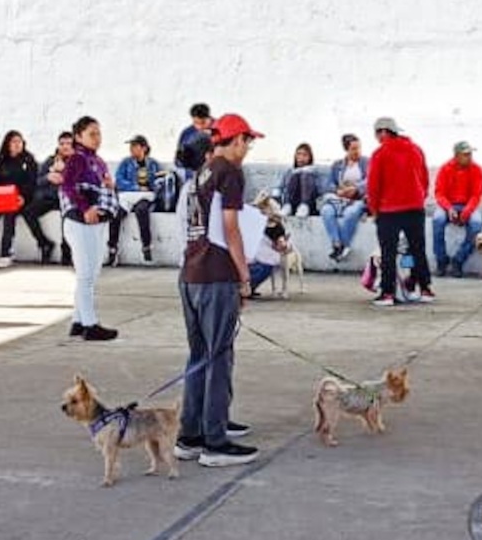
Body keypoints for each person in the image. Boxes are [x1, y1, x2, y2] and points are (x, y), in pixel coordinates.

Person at [172, 113, 261, 466]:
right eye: (247, 142)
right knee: (219, 356)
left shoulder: (203, 172)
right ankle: (214, 442)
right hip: (216, 274)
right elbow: (231, 229)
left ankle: (191, 434)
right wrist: (243, 277)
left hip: (191, 274)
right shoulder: (230, 172)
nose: (248, 149)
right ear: (235, 139)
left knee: (199, 356)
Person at [60, 117, 118, 341]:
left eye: (99, 133)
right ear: (78, 136)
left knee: (91, 274)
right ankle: (90, 324)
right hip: (80, 222)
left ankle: (78, 320)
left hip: (96, 223)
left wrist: (110, 186)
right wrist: (85, 208)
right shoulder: (77, 158)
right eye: (92, 134)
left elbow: (103, 186)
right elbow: (67, 185)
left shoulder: (98, 161)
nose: (97, 138)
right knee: (85, 274)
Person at [366, 117, 433, 306]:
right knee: (416, 250)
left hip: (389, 210)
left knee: (388, 252)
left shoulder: (380, 153)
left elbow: (373, 186)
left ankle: (388, 293)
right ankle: (424, 288)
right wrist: (420, 197)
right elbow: (425, 178)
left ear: (383, 132)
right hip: (415, 207)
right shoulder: (416, 149)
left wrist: (374, 210)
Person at [0, 130, 56, 267]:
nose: (17, 144)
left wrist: (22, 197)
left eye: (20, 141)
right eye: (14, 141)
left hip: (23, 199)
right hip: (2, 199)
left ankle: (6, 254)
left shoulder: (28, 161)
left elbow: (32, 183)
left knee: (9, 215)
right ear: (7, 144)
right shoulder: (0, 163)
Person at [432, 140, 482, 277]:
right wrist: (449, 209)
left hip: (468, 205)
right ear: (456, 155)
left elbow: (476, 195)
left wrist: (466, 212)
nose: (469, 157)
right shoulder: (445, 169)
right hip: (448, 205)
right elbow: (439, 193)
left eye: (470, 154)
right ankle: (441, 260)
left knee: (476, 224)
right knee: (437, 220)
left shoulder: (477, 170)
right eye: (466, 154)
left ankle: (458, 260)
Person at [108, 135, 163, 265]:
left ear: (143, 148)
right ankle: (112, 249)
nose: (131, 149)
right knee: (115, 215)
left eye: (134, 146)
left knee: (142, 210)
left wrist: (152, 186)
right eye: (131, 146)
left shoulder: (153, 164)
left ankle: (146, 247)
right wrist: (136, 187)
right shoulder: (125, 163)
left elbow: (158, 181)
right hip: (128, 196)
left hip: (145, 197)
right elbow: (119, 180)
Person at [320, 134, 370, 262]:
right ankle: (337, 244)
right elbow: (329, 183)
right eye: (353, 149)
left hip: (359, 199)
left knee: (350, 213)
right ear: (346, 149)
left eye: (359, 148)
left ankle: (343, 246)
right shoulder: (337, 165)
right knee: (326, 211)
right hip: (341, 198)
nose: (357, 151)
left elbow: (370, 180)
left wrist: (355, 188)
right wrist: (338, 190)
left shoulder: (366, 162)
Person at [32, 132, 75, 265]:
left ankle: (66, 253)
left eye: (68, 143)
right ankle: (44, 243)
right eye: (62, 144)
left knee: (67, 215)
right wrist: (48, 177)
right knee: (28, 211)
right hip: (49, 198)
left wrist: (65, 172)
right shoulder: (51, 160)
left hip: (68, 199)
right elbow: (36, 181)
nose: (65, 147)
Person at [276, 143, 323, 217]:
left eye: (304, 155)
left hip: (309, 205)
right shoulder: (289, 171)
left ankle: (304, 206)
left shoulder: (313, 171)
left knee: (305, 174)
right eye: (298, 154)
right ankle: (288, 206)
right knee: (294, 175)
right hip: (291, 202)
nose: (301, 157)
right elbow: (279, 187)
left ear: (309, 157)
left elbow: (320, 190)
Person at [175, 103, 213, 182]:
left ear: (209, 118)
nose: (199, 127)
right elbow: (178, 160)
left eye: (203, 123)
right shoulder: (187, 133)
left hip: (214, 173)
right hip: (192, 175)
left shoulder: (219, 129)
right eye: (196, 123)